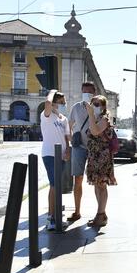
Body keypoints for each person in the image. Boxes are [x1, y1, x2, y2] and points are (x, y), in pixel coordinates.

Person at [85, 95, 117, 227]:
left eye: (97, 104)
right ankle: (101, 214)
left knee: (102, 185)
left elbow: (95, 131)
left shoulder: (104, 118)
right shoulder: (95, 117)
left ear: (104, 107)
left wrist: (91, 114)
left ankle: (101, 215)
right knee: (97, 185)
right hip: (94, 156)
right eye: (93, 104)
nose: (94, 107)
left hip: (102, 157)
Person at [40, 90, 71, 231]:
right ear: (54, 103)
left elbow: (66, 137)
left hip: (61, 155)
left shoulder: (63, 118)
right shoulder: (46, 115)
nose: (64, 104)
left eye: (65, 102)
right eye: (62, 102)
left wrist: (68, 149)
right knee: (54, 184)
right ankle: (51, 218)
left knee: (56, 185)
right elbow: (47, 103)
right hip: (49, 154)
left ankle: (56, 216)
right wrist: (52, 92)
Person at [68, 82, 97, 222]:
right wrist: (73, 136)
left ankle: (99, 213)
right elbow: (69, 124)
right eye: (84, 92)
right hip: (79, 146)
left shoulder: (98, 107)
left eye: (89, 92)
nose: (86, 94)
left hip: (94, 147)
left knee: (97, 181)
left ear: (94, 93)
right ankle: (77, 211)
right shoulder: (76, 107)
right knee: (77, 179)